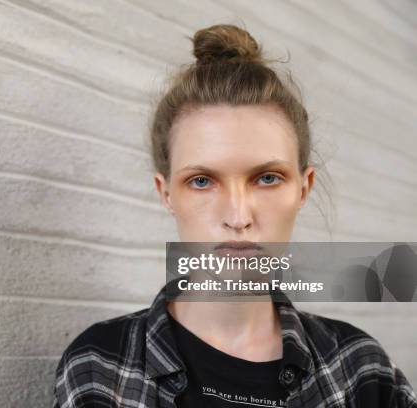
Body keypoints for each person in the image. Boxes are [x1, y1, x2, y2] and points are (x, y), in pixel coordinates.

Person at [51, 24, 417, 408]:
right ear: (166, 194)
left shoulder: (362, 370)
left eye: (267, 178)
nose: (238, 216)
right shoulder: (100, 367)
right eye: (202, 181)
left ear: (303, 189)